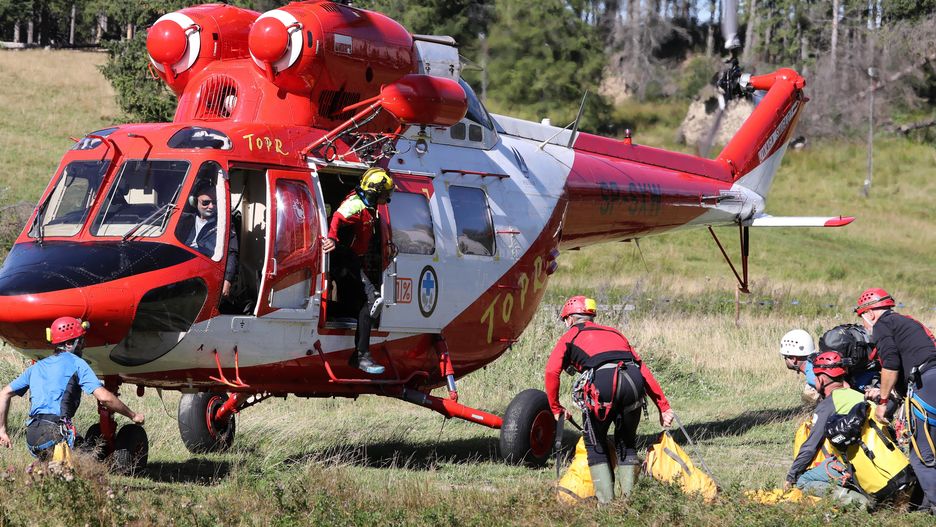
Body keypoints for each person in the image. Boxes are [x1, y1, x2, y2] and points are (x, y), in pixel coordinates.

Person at [545, 295, 674, 504]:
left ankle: (607, 506)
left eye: (565, 321)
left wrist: (556, 408)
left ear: (569, 319)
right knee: (627, 443)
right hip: (633, 381)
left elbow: (552, 371)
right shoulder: (614, 332)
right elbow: (642, 369)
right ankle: (629, 503)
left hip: (603, 384)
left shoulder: (570, 336)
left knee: (594, 443)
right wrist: (663, 407)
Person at [0, 317, 144, 459]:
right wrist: (133, 415)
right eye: (80, 341)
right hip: (55, 433)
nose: (84, 345)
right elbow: (104, 398)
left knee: (49, 475)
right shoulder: (77, 363)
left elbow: (4, 393)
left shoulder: (37, 366)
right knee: (90, 467)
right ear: (69, 344)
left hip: (32, 435)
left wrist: (2, 430)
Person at [856, 288, 936, 513]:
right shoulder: (905, 322)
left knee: (922, 456)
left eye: (863, 318)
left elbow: (890, 363)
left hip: (928, 383)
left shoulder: (882, 326)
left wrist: (882, 402)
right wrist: (890, 392)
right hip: (931, 380)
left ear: (870, 314)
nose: (865, 325)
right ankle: (923, 507)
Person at [322, 168, 394, 375]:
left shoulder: (368, 205)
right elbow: (337, 217)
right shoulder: (356, 204)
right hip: (344, 258)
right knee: (373, 301)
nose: (387, 197)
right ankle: (361, 356)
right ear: (375, 191)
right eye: (385, 192)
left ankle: (360, 353)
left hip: (352, 259)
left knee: (361, 304)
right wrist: (332, 239)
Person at [784, 351, 870, 507]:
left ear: (821, 379)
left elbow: (811, 446)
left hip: (851, 464)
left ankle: (857, 502)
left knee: (803, 480)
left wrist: (791, 476)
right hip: (872, 457)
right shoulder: (858, 395)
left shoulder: (828, 405)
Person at [177, 182, 239, 298]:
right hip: (182, 270)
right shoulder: (184, 220)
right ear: (194, 202)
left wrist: (227, 280)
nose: (211, 206)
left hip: (205, 273)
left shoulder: (224, 224)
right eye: (206, 202)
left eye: (214, 202)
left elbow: (231, 253)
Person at [779, 329, 820, 403]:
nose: (784, 360)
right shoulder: (815, 363)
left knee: (808, 396)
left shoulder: (812, 377)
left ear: (793, 359)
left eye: (785, 357)